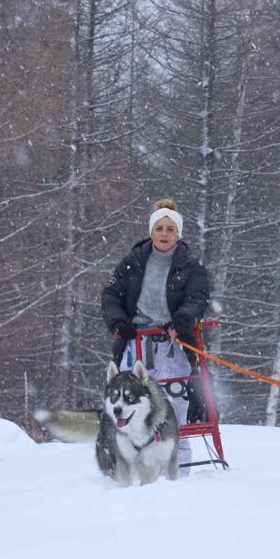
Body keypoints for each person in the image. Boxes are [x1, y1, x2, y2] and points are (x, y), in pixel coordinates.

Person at [100, 198, 211, 468]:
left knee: (174, 406)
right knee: (130, 407)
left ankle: (177, 469)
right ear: (151, 231)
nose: (164, 234)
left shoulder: (191, 266)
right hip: (135, 341)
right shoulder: (132, 262)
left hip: (172, 342)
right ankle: (134, 469)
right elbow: (111, 295)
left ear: (178, 233)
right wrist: (117, 322)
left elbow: (197, 298)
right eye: (159, 228)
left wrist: (184, 317)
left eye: (170, 229)